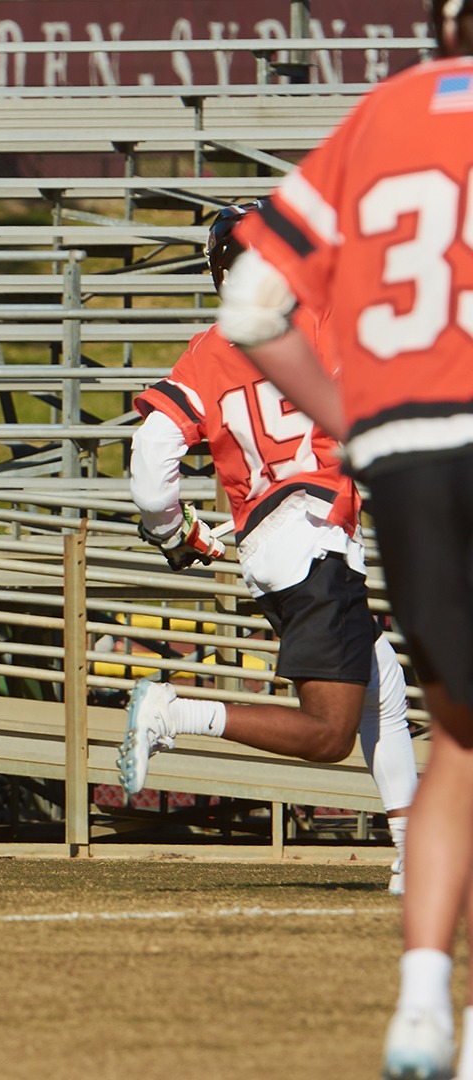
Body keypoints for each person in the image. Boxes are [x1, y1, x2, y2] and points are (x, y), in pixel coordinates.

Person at [216, 4, 473, 1075]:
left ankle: (422, 999)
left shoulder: (381, 112)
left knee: (458, 737)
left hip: (406, 453)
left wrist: (358, 428)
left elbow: (248, 303)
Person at [122, 201, 416, 900]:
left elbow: (150, 458)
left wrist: (174, 532)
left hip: (269, 546)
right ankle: (174, 712)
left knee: (385, 691)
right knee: (330, 734)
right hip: (315, 539)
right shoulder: (322, 322)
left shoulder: (205, 350)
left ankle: (415, 855)